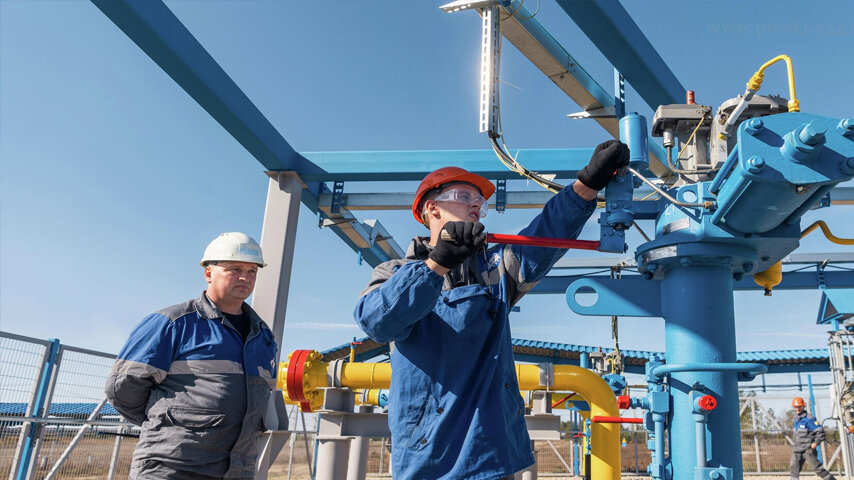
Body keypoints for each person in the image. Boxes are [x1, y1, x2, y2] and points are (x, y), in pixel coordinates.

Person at [354, 140, 630, 479]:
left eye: (479, 201)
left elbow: (546, 234)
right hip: (428, 454)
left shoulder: (496, 268)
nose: (476, 205)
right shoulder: (395, 272)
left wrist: (587, 184)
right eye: (464, 196)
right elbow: (376, 322)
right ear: (431, 208)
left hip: (492, 453)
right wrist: (436, 265)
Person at [105, 232, 279, 480]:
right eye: (235, 269)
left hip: (237, 471)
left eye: (252, 271)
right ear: (208, 273)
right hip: (172, 468)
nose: (245, 277)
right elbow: (122, 389)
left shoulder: (263, 337)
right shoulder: (172, 324)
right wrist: (169, 425)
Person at [790, 396, 836, 480]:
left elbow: (820, 432)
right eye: (796, 407)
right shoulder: (796, 419)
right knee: (794, 469)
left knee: (817, 469)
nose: (797, 409)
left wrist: (816, 443)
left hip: (807, 450)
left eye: (799, 407)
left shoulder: (809, 419)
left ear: (803, 406)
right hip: (797, 449)